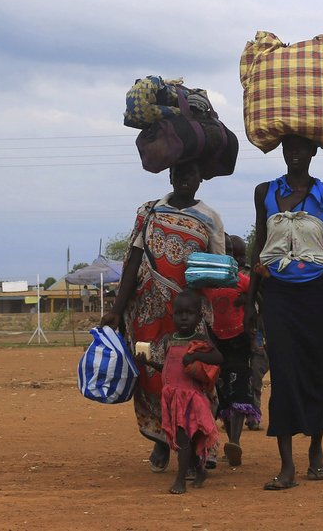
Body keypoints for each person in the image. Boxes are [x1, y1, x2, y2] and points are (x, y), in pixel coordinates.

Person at [244, 134, 323, 491]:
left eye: (301, 147)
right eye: (288, 147)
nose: (294, 153)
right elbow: (258, 249)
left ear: (314, 150)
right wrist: (250, 302)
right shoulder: (265, 192)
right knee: (284, 375)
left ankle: (316, 451)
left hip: (313, 296)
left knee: (314, 371)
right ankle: (287, 464)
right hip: (275, 296)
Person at [101, 161, 225, 474]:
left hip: (190, 313)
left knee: (196, 375)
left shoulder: (209, 218)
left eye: (192, 173)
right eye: (179, 174)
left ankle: (203, 442)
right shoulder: (149, 212)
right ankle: (160, 437)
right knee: (152, 376)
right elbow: (133, 262)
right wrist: (117, 310)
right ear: (170, 176)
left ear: (201, 177)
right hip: (148, 312)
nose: (185, 179)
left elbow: (218, 268)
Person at [135, 291, 223, 494]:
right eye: (179, 313)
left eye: (189, 313)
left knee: (184, 440)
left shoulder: (199, 340)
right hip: (173, 398)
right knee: (186, 441)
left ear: (199, 317)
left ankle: (180, 480)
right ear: (172, 315)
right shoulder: (170, 339)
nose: (184, 318)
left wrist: (196, 356)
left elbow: (218, 358)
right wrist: (147, 362)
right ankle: (200, 472)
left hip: (191, 398)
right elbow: (167, 366)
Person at [201, 234, 258, 466]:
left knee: (240, 388)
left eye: (235, 255)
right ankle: (219, 441)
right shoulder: (206, 283)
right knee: (221, 390)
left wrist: (248, 301)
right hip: (215, 342)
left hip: (239, 342)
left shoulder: (241, 280)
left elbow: (258, 297)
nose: (232, 258)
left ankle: (234, 441)